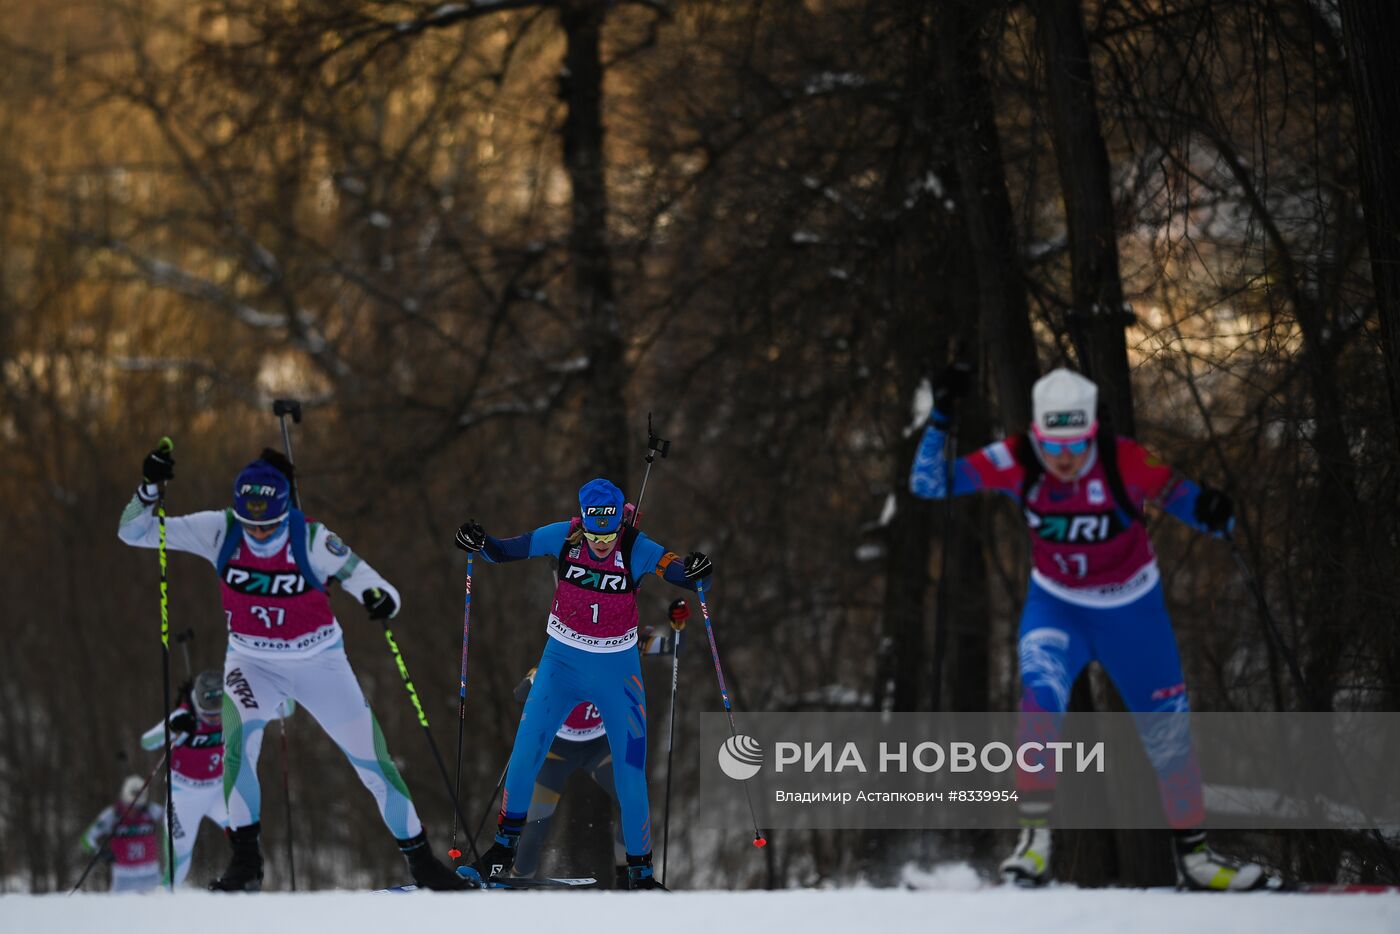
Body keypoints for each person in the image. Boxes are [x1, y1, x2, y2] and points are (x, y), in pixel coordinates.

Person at [909, 367, 1272, 891]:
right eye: (1052, 444)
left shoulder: (1124, 459)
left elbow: (1188, 502)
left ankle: (1197, 860)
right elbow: (926, 483)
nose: (1063, 457)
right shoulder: (1016, 459)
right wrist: (941, 417)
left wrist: (1214, 511)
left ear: (1092, 431)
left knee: (1168, 734)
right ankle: (1033, 846)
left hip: (1132, 612)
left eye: (1076, 444)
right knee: (1039, 700)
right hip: (1057, 608)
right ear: (1036, 434)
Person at [118, 444, 468, 891]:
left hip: (319, 663)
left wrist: (378, 598)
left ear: (286, 510)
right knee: (239, 748)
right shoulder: (219, 530)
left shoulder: (312, 539)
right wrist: (150, 487)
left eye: (268, 525)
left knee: (373, 761)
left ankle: (423, 864)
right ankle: (245, 864)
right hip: (251, 663)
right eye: (251, 524)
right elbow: (134, 532)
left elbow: (373, 583)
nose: (259, 534)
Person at [454, 478, 711, 890]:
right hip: (561, 663)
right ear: (583, 524)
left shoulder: (635, 547)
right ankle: (502, 854)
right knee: (523, 757)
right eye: (595, 535)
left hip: (617, 668)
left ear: (619, 525)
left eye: (609, 535)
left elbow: (683, 573)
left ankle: (641, 874)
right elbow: (502, 551)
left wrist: (699, 571)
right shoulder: (562, 536)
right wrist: (478, 541)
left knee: (630, 772)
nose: (603, 543)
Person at [510, 599, 689, 888]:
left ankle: (627, 874)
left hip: (598, 747)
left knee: (631, 803)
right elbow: (522, 692)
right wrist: (534, 679)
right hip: (558, 750)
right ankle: (516, 881)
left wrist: (677, 627)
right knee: (535, 826)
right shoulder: (567, 643)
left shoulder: (625, 638)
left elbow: (672, 647)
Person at [138, 669, 293, 886]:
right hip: (184, 796)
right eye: (208, 714)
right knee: (179, 858)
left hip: (220, 792)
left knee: (248, 839)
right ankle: (164, 902)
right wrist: (172, 729)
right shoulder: (184, 716)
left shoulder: (236, 708)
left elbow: (286, 709)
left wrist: (278, 689)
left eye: (218, 713)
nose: (213, 719)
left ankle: (247, 884)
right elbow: (147, 742)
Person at [80, 775, 163, 893]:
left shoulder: (152, 811)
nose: (134, 809)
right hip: (123, 877)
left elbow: (175, 823)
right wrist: (100, 853)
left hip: (150, 874)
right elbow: (86, 839)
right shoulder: (112, 815)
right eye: (131, 805)